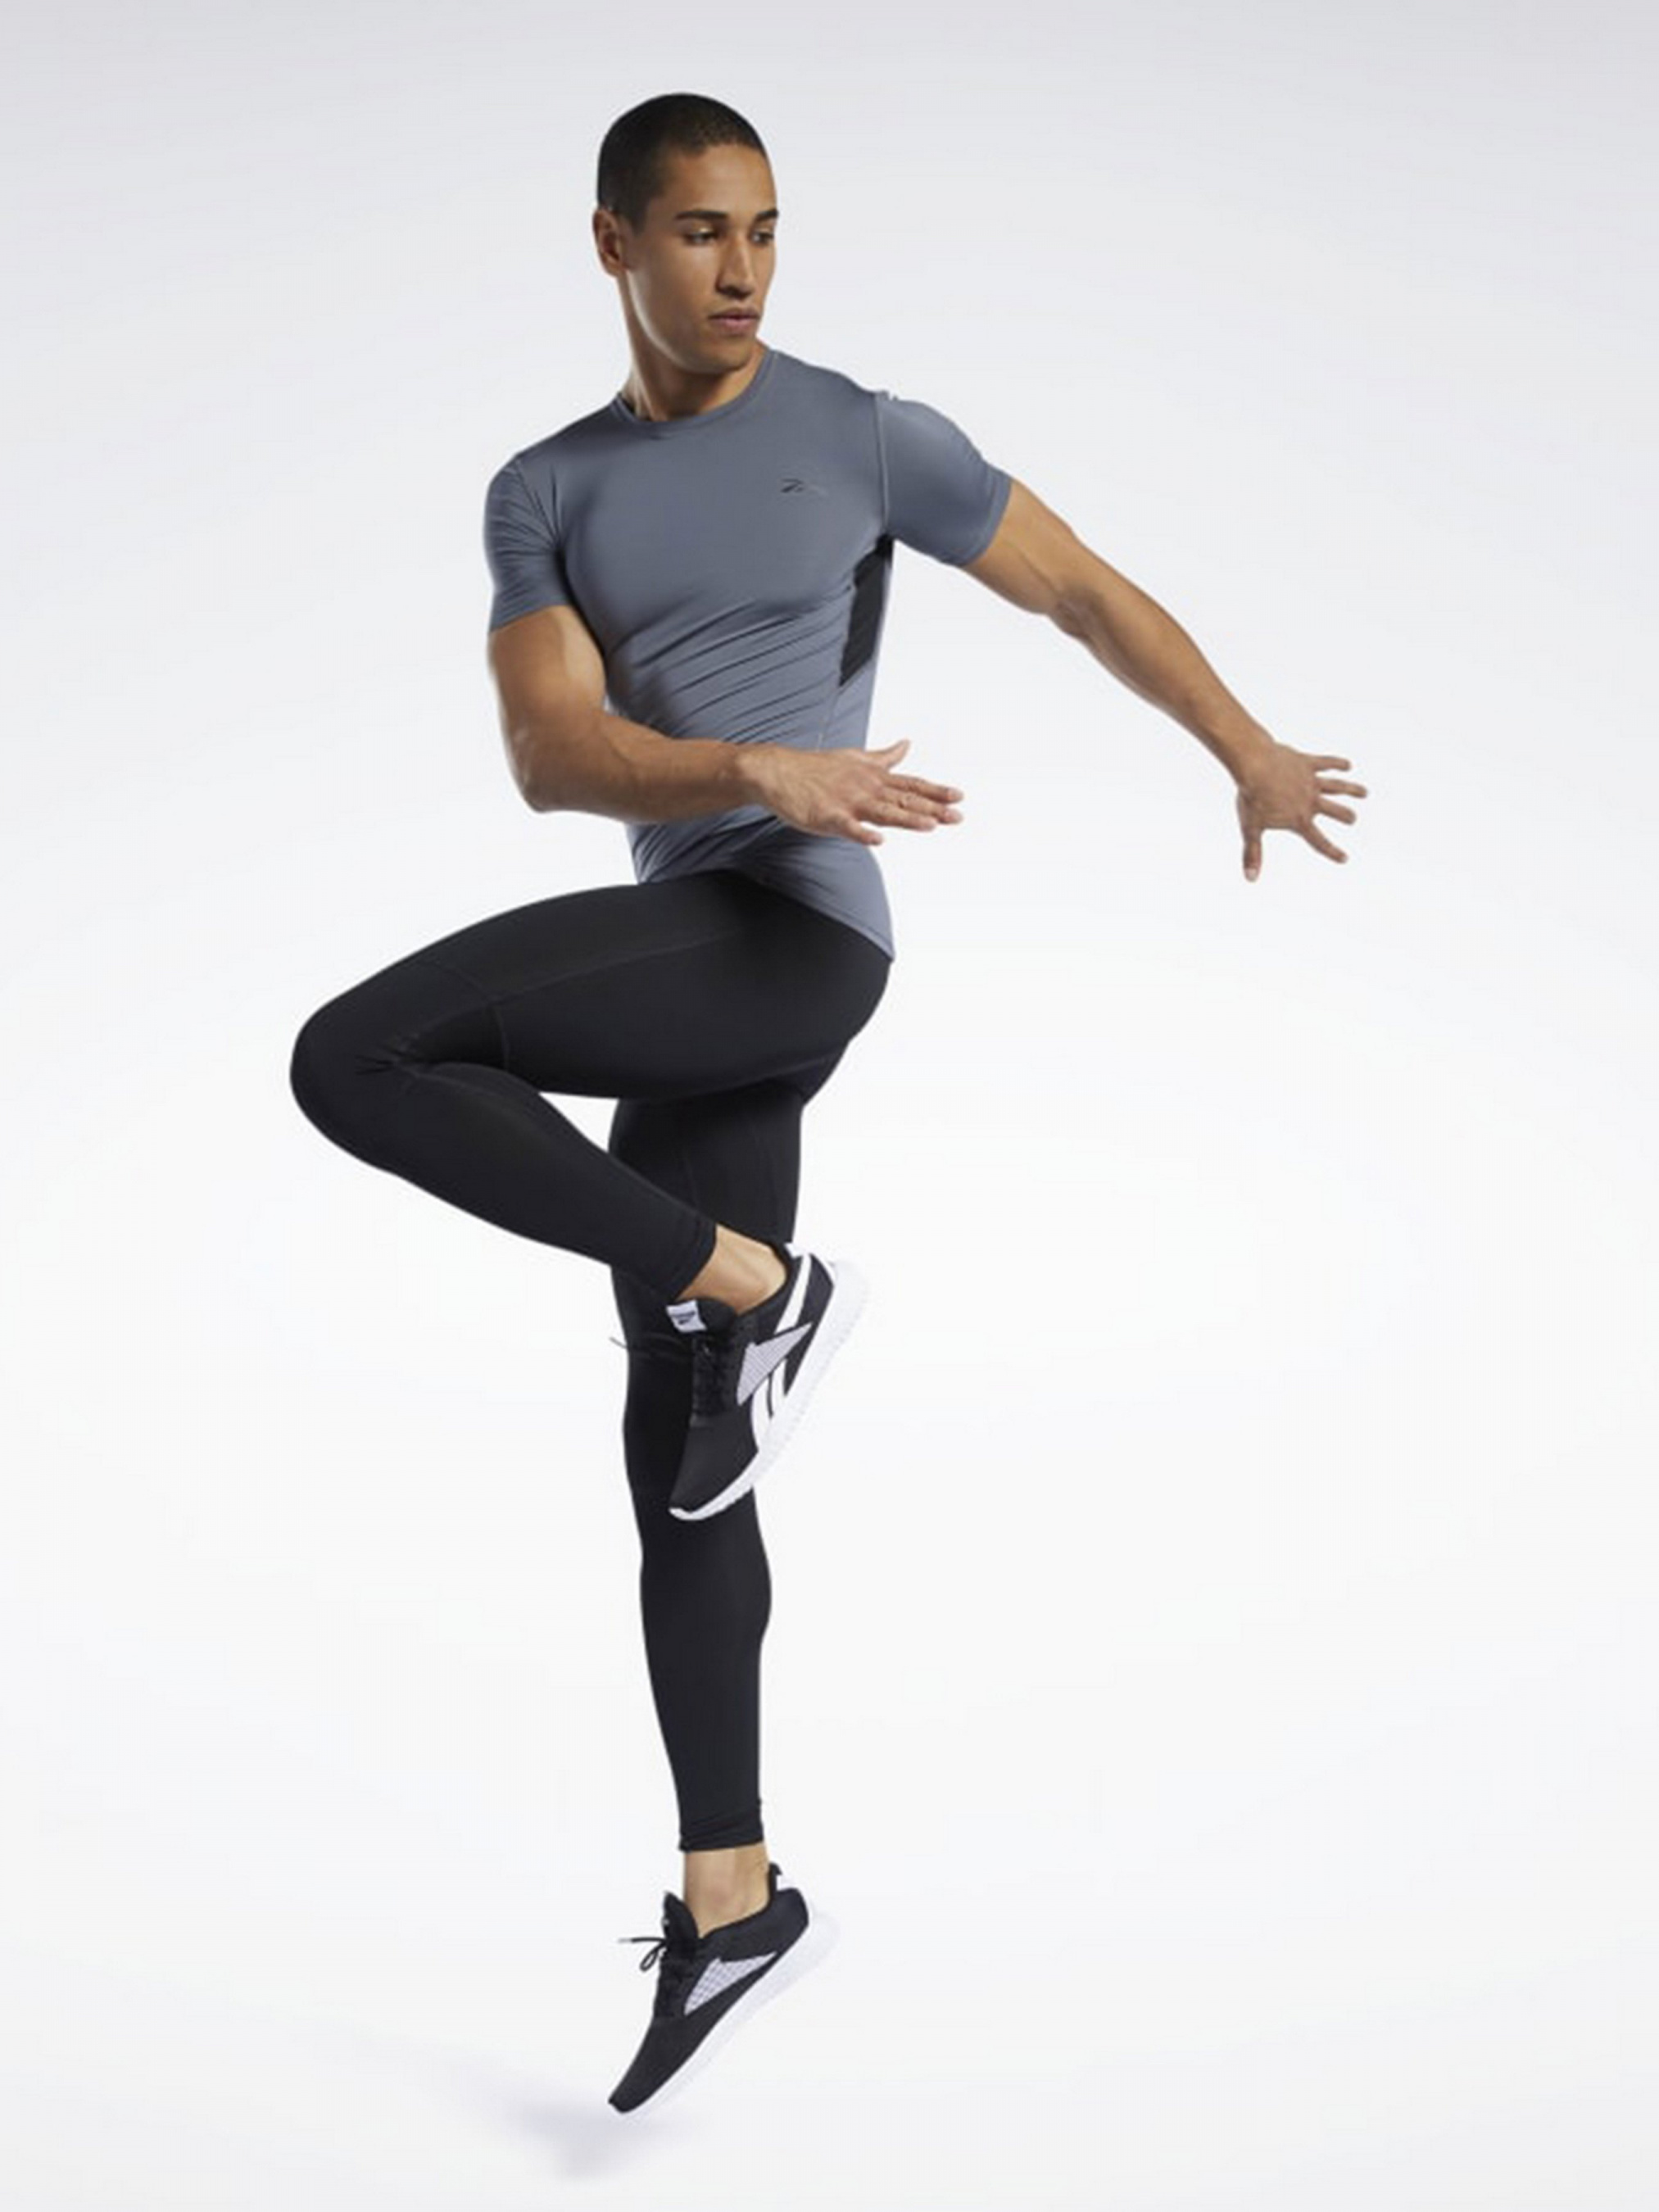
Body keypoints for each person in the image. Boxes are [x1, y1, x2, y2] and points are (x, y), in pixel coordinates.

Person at [287, 89, 1367, 2116]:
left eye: (767, 228)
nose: (744, 269)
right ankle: (735, 1899)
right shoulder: (545, 489)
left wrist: (1240, 745)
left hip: (792, 943)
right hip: (695, 939)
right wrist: (746, 768)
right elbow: (550, 756)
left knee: (355, 1055)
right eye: (701, 231)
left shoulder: (864, 433)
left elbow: (1080, 590)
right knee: (681, 1440)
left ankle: (762, 1289)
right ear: (612, 243)